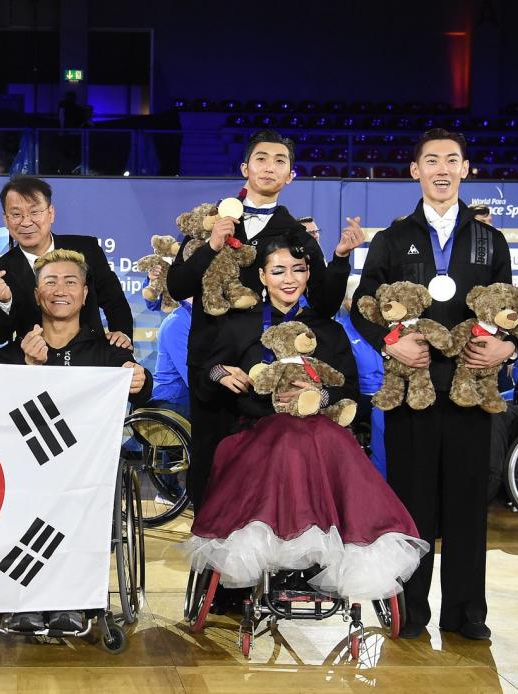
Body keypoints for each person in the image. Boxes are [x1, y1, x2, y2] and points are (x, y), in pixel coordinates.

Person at [186, 237, 426, 598]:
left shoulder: (328, 329)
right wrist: (219, 373)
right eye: (278, 270)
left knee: (328, 440)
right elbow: (206, 375)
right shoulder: (238, 325)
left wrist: (321, 396)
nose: (289, 279)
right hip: (257, 434)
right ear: (263, 277)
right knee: (289, 437)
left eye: (298, 270)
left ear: (308, 273)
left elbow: (350, 394)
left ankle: (343, 548)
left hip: (321, 435)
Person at [350, 128, 514, 641]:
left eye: (452, 160)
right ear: (414, 170)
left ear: (466, 169)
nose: (442, 169)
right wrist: (389, 341)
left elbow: (511, 306)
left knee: (468, 506)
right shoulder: (393, 238)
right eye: (431, 160)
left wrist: (506, 345)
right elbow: (365, 304)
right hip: (411, 390)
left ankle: (467, 614)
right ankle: (409, 611)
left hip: (470, 390)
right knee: (412, 504)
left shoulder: (491, 238)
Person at [166, 129, 363, 507]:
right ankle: (215, 561)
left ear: (291, 176)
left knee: (278, 488)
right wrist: (212, 246)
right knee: (214, 480)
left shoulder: (298, 234)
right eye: (261, 159)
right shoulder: (209, 220)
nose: (269, 167)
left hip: (272, 371)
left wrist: (338, 259)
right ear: (245, 167)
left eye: (280, 162)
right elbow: (177, 287)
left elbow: (322, 305)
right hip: (215, 365)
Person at [0, 249, 151, 632]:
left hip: (87, 478)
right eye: (50, 281)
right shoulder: (9, 356)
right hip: (26, 474)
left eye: (70, 282)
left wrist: (139, 379)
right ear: (35, 294)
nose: (59, 290)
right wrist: (28, 371)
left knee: (81, 495)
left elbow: (142, 392)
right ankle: (24, 598)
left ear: (84, 294)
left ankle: (74, 598)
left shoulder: (110, 353)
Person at [0, 176, 133, 348]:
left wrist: (123, 337)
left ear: (51, 213)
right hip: (34, 364)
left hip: (90, 359)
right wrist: (4, 302)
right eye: (16, 214)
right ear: (6, 220)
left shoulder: (87, 250)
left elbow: (115, 302)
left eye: (35, 212)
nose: (26, 222)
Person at [338, 275, 387, 476]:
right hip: (358, 396)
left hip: (386, 393)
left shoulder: (387, 327)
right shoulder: (340, 329)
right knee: (380, 413)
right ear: (350, 302)